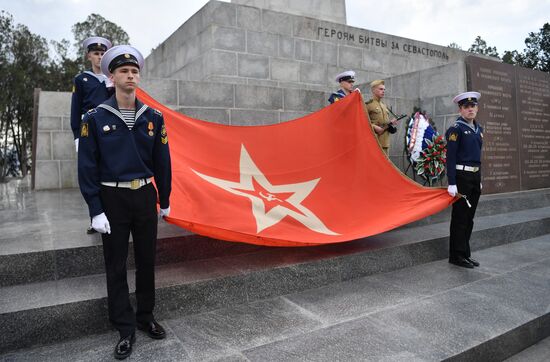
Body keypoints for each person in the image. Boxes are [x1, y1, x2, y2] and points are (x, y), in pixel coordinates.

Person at [78, 44, 172, 360]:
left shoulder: (153, 117)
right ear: (112, 76)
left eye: (134, 72)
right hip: (112, 198)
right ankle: (124, 327)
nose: (130, 76)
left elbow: (163, 160)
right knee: (116, 266)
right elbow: (87, 167)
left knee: (146, 262)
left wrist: (166, 199)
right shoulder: (95, 117)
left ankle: (145, 317)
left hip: (145, 195)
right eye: (124, 71)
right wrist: (95, 209)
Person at [70, 36, 113, 234]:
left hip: (109, 132)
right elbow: (75, 108)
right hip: (88, 131)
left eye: (103, 53)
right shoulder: (81, 79)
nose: (99, 57)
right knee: (90, 174)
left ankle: (110, 215)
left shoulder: (112, 79)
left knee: (109, 172)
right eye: (96, 53)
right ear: (89, 56)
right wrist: (77, 136)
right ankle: (94, 216)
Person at [445, 91, 483, 269]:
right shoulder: (456, 129)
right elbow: (450, 157)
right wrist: (452, 182)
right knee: (460, 218)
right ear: (460, 109)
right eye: (466, 107)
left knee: (470, 218)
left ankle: (465, 253)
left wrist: (479, 178)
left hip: (474, 177)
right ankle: (456, 255)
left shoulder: (478, 129)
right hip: (461, 177)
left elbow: (477, 156)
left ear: (477, 108)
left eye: (473, 106)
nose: (470, 109)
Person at [365, 79, 398, 155]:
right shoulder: (368, 105)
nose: (383, 91)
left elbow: (384, 122)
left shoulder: (384, 106)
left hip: (385, 142)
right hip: (374, 142)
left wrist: (391, 123)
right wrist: (374, 127)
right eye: (380, 89)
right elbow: (363, 121)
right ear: (373, 90)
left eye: (384, 89)